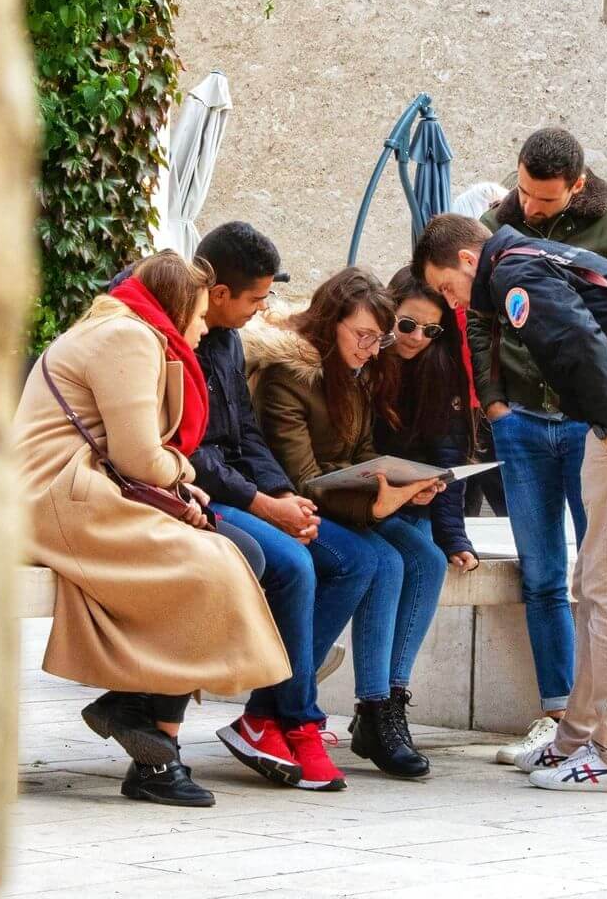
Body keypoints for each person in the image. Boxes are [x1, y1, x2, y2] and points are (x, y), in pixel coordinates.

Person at [414, 214, 607, 793]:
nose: (454, 302)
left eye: (448, 287)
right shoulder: (537, 254)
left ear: (469, 261)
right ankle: (574, 740)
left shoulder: (513, 270)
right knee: (593, 582)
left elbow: (576, 339)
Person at [13, 251, 290, 808]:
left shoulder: (126, 329)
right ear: (176, 303)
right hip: (60, 497)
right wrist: (183, 478)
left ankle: (141, 716)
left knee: (234, 556)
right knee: (215, 564)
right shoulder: (129, 338)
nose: (205, 323)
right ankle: (152, 744)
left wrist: (177, 486)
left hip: (82, 491)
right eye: (198, 311)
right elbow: (141, 456)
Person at [466, 128, 607, 766]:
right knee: (543, 575)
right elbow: (477, 315)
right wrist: (493, 400)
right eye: (522, 190)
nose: (528, 208)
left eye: (544, 201)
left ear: (577, 187)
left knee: (602, 577)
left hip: (593, 425)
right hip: (519, 419)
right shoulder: (498, 222)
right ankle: (558, 717)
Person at [187, 222, 379, 793]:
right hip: (201, 496)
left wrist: (284, 497)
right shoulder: (184, 340)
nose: (263, 308)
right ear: (218, 293)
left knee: (356, 562)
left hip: (246, 490)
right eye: (256, 297)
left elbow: (246, 435)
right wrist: (267, 506)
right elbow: (191, 453)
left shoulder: (225, 339)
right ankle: (296, 719)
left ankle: (265, 714)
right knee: (297, 565)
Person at [245, 268, 448, 778]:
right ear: (330, 321)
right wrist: (376, 504)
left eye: (378, 338)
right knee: (376, 560)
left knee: (426, 557)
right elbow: (301, 479)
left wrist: (404, 482)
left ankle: (390, 701)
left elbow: (356, 455)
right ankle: (348, 704)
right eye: (361, 335)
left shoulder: (358, 370)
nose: (371, 347)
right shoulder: (289, 374)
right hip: (290, 505)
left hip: (338, 502)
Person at [376, 267, 479, 572]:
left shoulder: (441, 368)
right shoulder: (363, 360)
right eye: (407, 325)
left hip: (417, 502)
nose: (417, 338)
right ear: (387, 311)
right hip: (365, 496)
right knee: (396, 565)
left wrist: (453, 537)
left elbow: (449, 456)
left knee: (428, 561)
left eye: (431, 330)